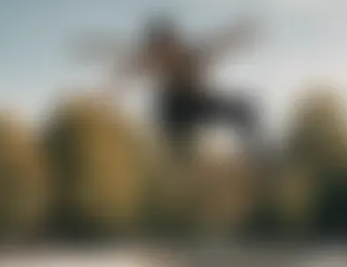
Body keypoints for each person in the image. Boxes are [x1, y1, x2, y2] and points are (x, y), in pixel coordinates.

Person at [110, 16, 264, 164]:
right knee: (165, 105)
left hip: (200, 102)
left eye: (169, 48)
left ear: (176, 43)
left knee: (243, 108)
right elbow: (129, 64)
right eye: (161, 50)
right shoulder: (154, 58)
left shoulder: (193, 53)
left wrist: (239, 32)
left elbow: (220, 43)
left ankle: (256, 153)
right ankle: (177, 154)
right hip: (177, 108)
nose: (168, 55)